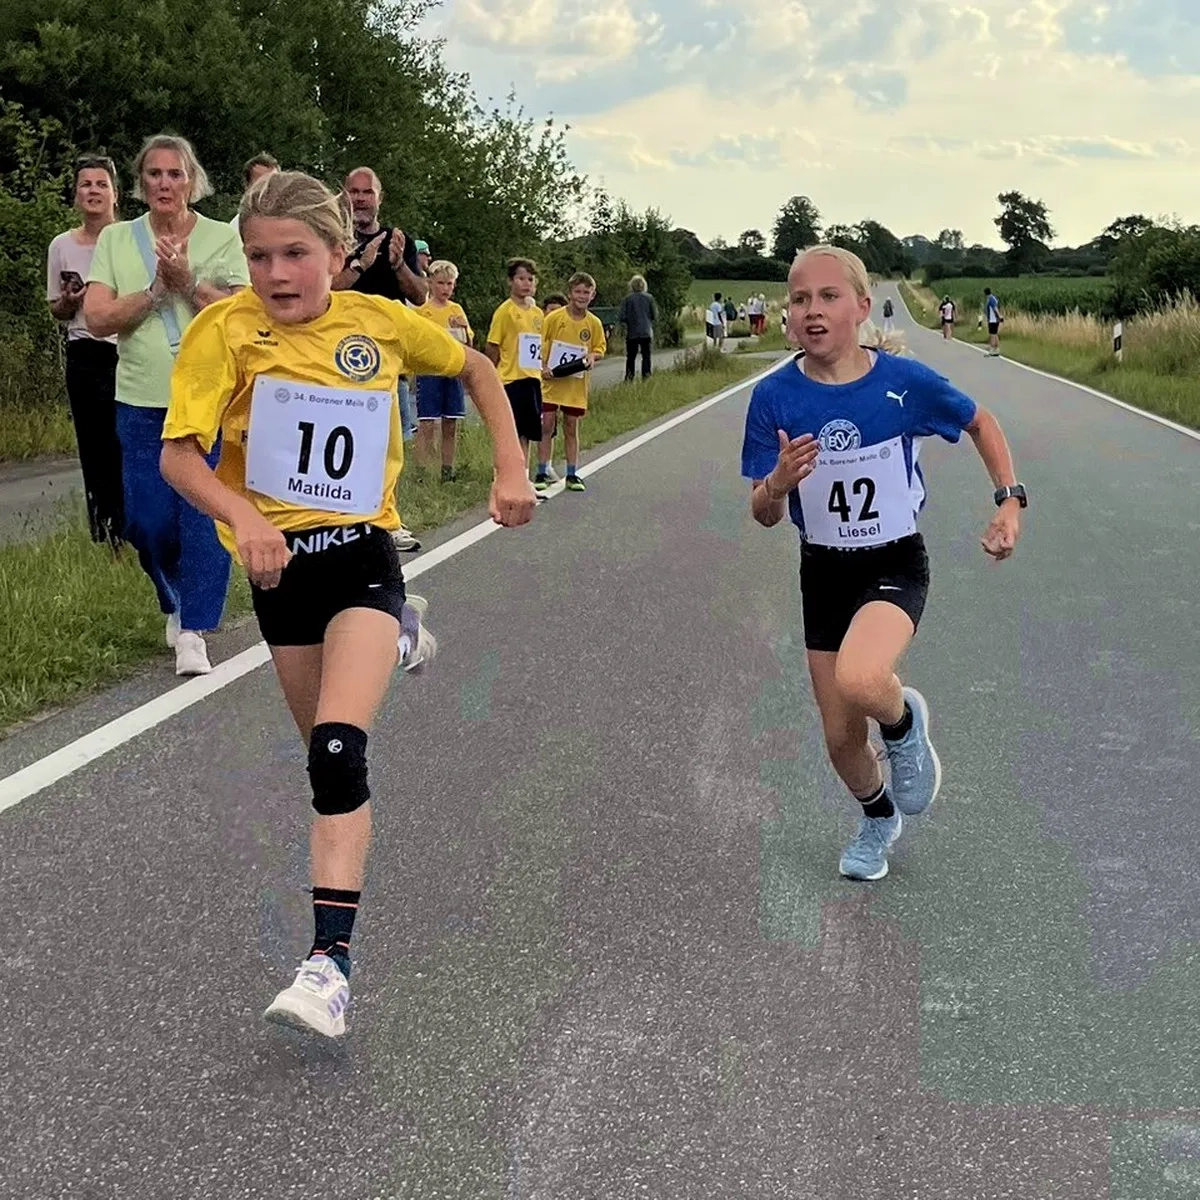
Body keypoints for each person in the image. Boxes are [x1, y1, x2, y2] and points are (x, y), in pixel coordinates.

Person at [160, 170, 537, 1038]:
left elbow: (478, 369)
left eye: (295, 253)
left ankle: (328, 967)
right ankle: (402, 634)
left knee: (338, 752)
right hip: (278, 573)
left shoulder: (378, 322)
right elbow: (179, 456)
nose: (275, 273)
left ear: (336, 254)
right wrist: (244, 516)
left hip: (361, 552)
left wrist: (511, 468)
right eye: (259, 256)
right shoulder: (224, 331)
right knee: (322, 761)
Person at [740, 245, 1026, 882]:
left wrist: (1010, 499)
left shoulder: (903, 382)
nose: (812, 311)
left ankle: (903, 724)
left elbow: (980, 422)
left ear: (862, 306)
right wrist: (778, 484)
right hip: (823, 570)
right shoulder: (773, 398)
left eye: (828, 296)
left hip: (893, 560)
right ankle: (878, 819)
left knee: (863, 676)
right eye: (799, 299)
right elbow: (762, 513)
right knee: (840, 739)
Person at [84, 133, 248, 676]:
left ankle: (194, 628)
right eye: (154, 174)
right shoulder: (116, 240)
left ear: (191, 181)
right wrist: (156, 291)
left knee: (203, 515)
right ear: (140, 183)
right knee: (147, 520)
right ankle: (174, 596)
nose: (164, 183)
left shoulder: (222, 237)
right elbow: (97, 318)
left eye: (175, 173)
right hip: (139, 399)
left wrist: (189, 283)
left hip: (208, 399)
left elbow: (241, 314)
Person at [333, 166, 426, 547]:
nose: (360, 199)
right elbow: (324, 288)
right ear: (344, 195)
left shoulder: (398, 240)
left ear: (379, 197)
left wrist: (397, 264)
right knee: (344, 442)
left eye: (366, 192)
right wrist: (359, 264)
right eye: (353, 191)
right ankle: (344, 522)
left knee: (388, 445)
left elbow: (420, 295)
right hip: (335, 356)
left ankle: (388, 521)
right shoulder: (331, 238)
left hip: (385, 359)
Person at [46, 154, 124, 549]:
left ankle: (141, 533)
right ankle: (107, 539)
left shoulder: (131, 240)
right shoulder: (62, 245)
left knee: (130, 445)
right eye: (86, 185)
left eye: (101, 184)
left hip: (128, 352)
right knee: (94, 449)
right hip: (84, 353)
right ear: (76, 194)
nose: (93, 191)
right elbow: (56, 309)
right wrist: (69, 301)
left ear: (115, 193)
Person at [535, 271, 606, 493]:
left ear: (592, 295)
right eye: (578, 292)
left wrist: (593, 356)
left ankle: (572, 473)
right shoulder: (554, 318)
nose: (582, 296)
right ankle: (541, 471)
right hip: (552, 382)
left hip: (575, 384)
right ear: (570, 293)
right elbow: (539, 342)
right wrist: (542, 366)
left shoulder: (593, 323)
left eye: (586, 292)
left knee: (571, 427)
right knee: (546, 425)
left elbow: (600, 348)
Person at [486, 258, 545, 479]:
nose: (526, 283)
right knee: (509, 431)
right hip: (511, 379)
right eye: (521, 278)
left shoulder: (538, 313)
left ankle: (523, 477)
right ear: (511, 281)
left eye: (530, 279)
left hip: (532, 378)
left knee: (527, 433)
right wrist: (491, 377)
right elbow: (493, 345)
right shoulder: (505, 311)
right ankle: (501, 476)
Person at [414, 260, 473, 481]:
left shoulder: (456, 310)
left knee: (451, 422)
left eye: (449, 284)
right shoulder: (423, 312)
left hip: (453, 371)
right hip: (430, 372)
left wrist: (463, 328)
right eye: (440, 283)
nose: (445, 288)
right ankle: (421, 471)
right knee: (427, 422)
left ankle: (447, 471)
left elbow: (468, 343)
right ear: (430, 283)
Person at [617, 274, 657, 381]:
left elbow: (622, 316)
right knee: (646, 356)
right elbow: (654, 315)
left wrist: (630, 320)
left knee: (631, 357)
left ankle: (629, 377)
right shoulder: (649, 298)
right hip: (646, 331)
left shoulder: (627, 299)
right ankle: (646, 376)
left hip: (632, 332)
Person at [231, 154, 279, 227]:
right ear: (247, 187)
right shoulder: (237, 226)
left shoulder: (295, 219)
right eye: (261, 184)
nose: (268, 188)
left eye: (274, 181)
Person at [984, 287, 1002, 356]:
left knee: (992, 335)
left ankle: (992, 349)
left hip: (993, 319)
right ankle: (997, 349)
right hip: (994, 319)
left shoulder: (991, 299)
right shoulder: (993, 298)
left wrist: (999, 315)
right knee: (995, 334)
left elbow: (995, 308)